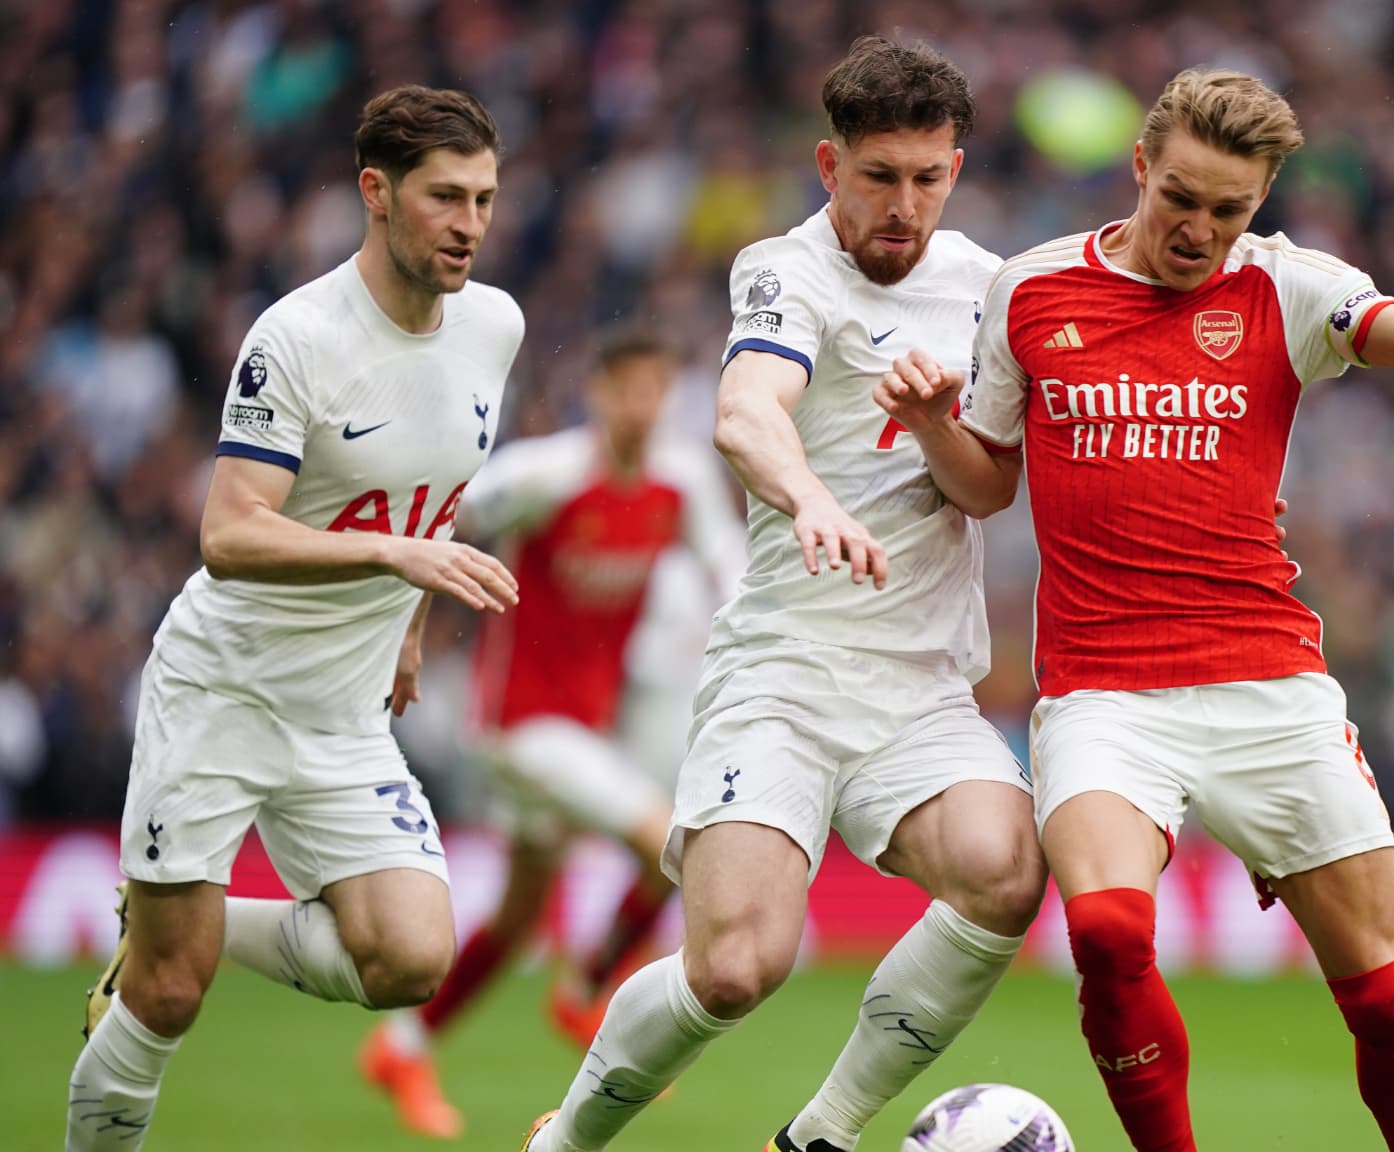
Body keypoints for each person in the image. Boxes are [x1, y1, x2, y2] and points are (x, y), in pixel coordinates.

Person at [878, 68, 1394, 1152]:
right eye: (1181, 200)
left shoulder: (1288, 288)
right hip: (1103, 693)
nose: (1199, 231)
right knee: (1108, 931)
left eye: (1228, 211)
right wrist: (932, 425)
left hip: (1265, 686)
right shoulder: (1030, 291)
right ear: (1140, 167)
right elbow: (987, 484)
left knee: (1387, 1002)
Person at [521, 37, 1045, 1152]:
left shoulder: (991, 290)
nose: (903, 205)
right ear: (827, 165)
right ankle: (563, 1140)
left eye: (927, 177)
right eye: (878, 177)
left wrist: (938, 423)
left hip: (917, 687)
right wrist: (808, 498)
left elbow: (990, 490)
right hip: (783, 676)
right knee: (734, 967)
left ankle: (819, 1137)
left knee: (1006, 873)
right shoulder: (783, 268)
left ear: (955, 167)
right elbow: (746, 408)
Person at [65, 85, 523, 1151]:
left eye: (486, 200)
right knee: (166, 998)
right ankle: (163, 955)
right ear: (375, 192)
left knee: (411, 959)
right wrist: (389, 556)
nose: (469, 224)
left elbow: (426, 487)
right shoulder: (298, 338)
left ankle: (170, 927)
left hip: (342, 711)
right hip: (225, 690)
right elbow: (229, 533)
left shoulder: (494, 325)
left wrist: (404, 621)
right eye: (444, 197)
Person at [359, 331, 744, 1138]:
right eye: (627, 390)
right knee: (669, 841)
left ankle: (400, 1045)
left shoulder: (681, 481)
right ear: (599, 394)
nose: (641, 407)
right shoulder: (544, 475)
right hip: (519, 727)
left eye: (655, 390)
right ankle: (586, 989)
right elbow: (438, 522)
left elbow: (732, 573)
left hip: (585, 727)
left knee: (521, 915)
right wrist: (408, 629)